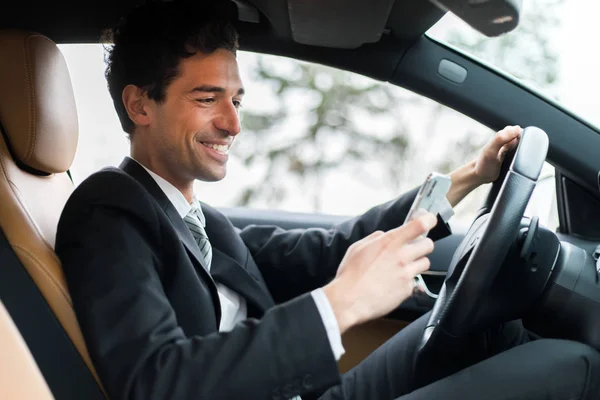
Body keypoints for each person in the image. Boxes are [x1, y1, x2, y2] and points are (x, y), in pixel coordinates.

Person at [54, 1, 600, 400]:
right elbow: (157, 382)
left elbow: (329, 247)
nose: (233, 123)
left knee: (490, 323)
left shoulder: (200, 221)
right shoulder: (109, 210)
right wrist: (344, 303)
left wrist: (467, 177)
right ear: (140, 105)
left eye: (237, 99)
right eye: (207, 99)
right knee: (571, 366)